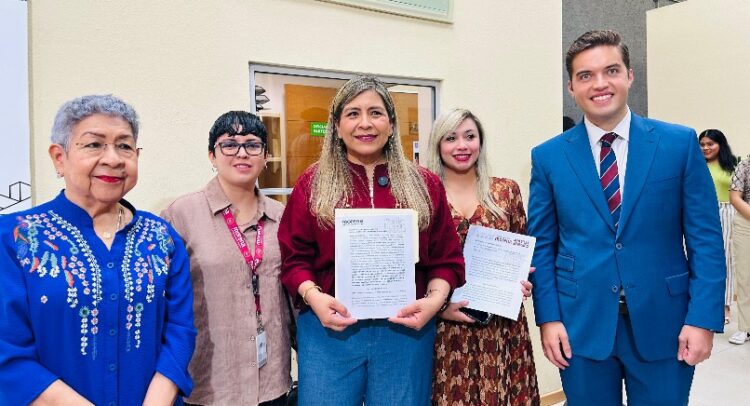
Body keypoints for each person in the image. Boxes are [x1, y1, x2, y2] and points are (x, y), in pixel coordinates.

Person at [528, 30, 725, 405]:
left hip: (665, 320)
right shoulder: (548, 156)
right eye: (585, 75)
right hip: (580, 323)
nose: (600, 84)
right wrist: (548, 318)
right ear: (571, 87)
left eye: (611, 70)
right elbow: (542, 245)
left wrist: (702, 318)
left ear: (630, 75)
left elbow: (706, 240)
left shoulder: (678, 144)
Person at [278, 75, 464, 405]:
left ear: (391, 124)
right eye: (353, 113)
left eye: (375, 113)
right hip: (330, 330)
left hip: (405, 331)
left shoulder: (424, 184)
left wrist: (434, 301)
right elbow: (295, 258)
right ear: (337, 126)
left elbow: (446, 259)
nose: (365, 123)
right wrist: (314, 297)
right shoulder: (312, 184)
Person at [0, 95, 195, 405]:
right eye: (94, 144)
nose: (113, 159)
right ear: (59, 157)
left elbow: (180, 330)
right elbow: (7, 352)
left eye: (124, 146)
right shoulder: (15, 238)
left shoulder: (162, 237)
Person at [161, 111, 291, 405]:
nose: (241, 153)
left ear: (265, 156)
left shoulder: (282, 216)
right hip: (209, 383)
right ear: (212, 155)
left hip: (271, 381)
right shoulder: (180, 215)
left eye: (252, 145)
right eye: (229, 144)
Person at [425, 108, 540, 405]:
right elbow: (413, 266)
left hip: (500, 328)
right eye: (451, 138)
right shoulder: (423, 196)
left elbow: (523, 251)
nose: (462, 146)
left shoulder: (506, 191)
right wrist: (439, 308)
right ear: (438, 144)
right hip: (444, 330)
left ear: (480, 141)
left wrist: (524, 280)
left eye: (470, 136)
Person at [699, 129, 738, 324]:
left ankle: (725, 305)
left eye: (710, 144)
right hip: (700, 213)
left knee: (725, 259)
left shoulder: (732, 166)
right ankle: (702, 303)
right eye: (702, 144)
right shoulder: (696, 164)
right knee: (699, 257)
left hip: (726, 212)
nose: (706, 148)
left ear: (720, 145)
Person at [729, 154, 750, 345]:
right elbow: (735, 197)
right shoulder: (745, 165)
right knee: (745, 278)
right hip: (746, 223)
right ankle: (745, 328)